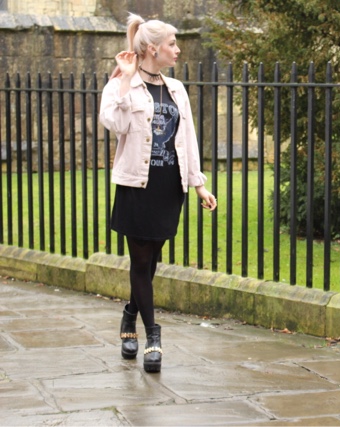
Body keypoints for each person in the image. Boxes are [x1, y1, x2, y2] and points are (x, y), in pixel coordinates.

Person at [99, 13, 217, 373]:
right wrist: (123, 80)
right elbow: (115, 124)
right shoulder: (121, 85)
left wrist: (198, 184)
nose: (177, 50)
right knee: (140, 260)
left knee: (151, 260)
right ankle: (152, 335)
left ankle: (129, 315)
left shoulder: (177, 88)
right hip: (137, 185)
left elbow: (188, 138)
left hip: (169, 186)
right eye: (172, 44)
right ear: (153, 48)